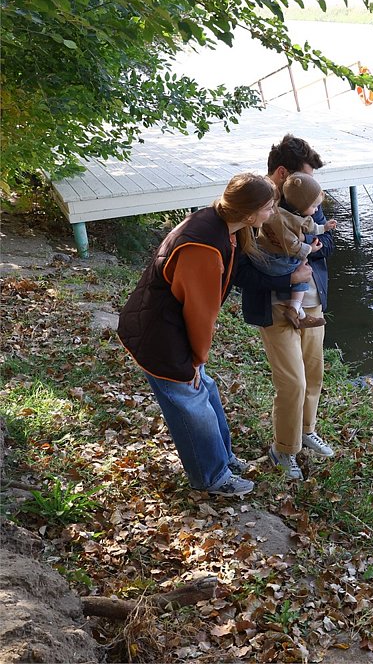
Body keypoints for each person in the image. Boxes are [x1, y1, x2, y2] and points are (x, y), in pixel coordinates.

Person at [118, 172, 284, 497]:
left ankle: (223, 459)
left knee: (204, 390)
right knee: (192, 405)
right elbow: (199, 312)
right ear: (250, 213)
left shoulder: (222, 225)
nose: (272, 213)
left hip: (168, 327)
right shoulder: (205, 247)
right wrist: (195, 360)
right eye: (269, 208)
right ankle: (211, 478)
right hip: (160, 336)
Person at [235, 134, 335, 481]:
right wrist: (288, 277)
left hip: (313, 304)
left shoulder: (307, 196)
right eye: (303, 176)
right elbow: (241, 270)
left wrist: (303, 249)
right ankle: (283, 449)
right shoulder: (254, 206)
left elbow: (328, 244)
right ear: (282, 174)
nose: (310, 185)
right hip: (275, 308)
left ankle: (306, 432)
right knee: (292, 381)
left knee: (313, 375)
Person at [252, 172, 337, 329]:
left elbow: (313, 228)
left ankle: (300, 314)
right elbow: (291, 246)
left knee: (301, 266)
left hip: (273, 258)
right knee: (302, 270)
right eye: (313, 207)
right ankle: (294, 308)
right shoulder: (280, 219)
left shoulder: (298, 213)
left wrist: (324, 227)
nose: (317, 209)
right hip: (275, 261)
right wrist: (309, 248)